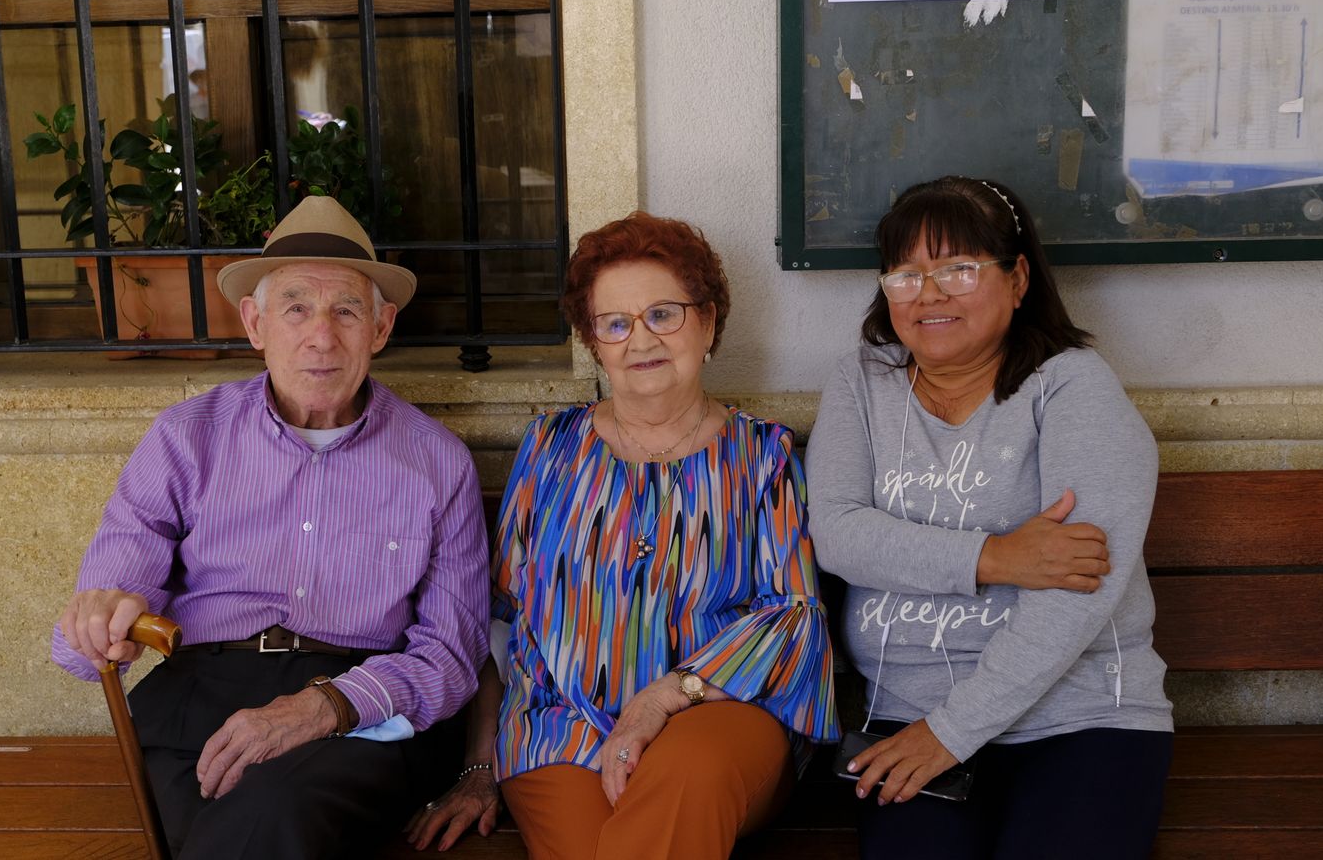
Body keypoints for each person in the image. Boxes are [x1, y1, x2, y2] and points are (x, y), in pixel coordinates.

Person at [51, 196, 489, 858]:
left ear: (381, 326)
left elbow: (451, 656)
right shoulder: (186, 438)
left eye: (346, 308)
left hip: (357, 707)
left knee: (274, 810)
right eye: (295, 307)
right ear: (255, 322)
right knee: (230, 825)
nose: (321, 335)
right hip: (194, 698)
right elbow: (114, 585)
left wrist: (326, 704)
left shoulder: (437, 462)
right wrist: (103, 612)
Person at [406, 212, 839, 859]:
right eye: (615, 323)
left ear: (709, 321)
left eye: (664, 313)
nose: (641, 339)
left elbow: (795, 616)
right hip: (562, 730)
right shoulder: (551, 448)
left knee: (688, 778)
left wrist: (666, 696)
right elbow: (500, 622)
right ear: (595, 343)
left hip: (716, 715)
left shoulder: (761, 455)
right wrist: (478, 765)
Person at [805, 176, 1173, 859]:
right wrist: (994, 557)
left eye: (959, 268)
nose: (929, 293)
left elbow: (1076, 591)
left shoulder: (1071, 387)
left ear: (1019, 276)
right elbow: (838, 532)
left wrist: (950, 730)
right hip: (903, 713)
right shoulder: (863, 380)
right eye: (907, 273)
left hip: (1082, 716)